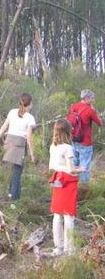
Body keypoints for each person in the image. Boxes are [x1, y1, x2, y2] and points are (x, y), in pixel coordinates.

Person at [48, 119, 85, 256]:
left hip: (57, 179)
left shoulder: (53, 146)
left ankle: (58, 247)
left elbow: (51, 166)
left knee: (57, 214)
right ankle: (69, 249)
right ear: (67, 132)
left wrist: (65, 168)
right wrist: (80, 169)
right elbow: (70, 169)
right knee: (69, 215)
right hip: (68, 182)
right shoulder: (68, 148)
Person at [0, 93, 36, 202]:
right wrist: (32, 154)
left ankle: (14, 196)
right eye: (32, 103)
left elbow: (3, 127)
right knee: (17, 173)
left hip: (9, 143)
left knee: (15, 172)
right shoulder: (29, 117)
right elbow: (29, 137)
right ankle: (13, 200)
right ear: (29, 104)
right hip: (19, 145)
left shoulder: (12, 112)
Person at [69, 89, 102, 183]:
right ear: (87, 98)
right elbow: (100, 123)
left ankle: (72, 185)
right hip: (85, 142)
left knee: (73, 164)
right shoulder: (89, 110)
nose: (93, 100)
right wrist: (95, 111)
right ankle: (84, 189)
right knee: (84, 167)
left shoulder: (72, 107)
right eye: (92, 98)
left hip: (73, 140)